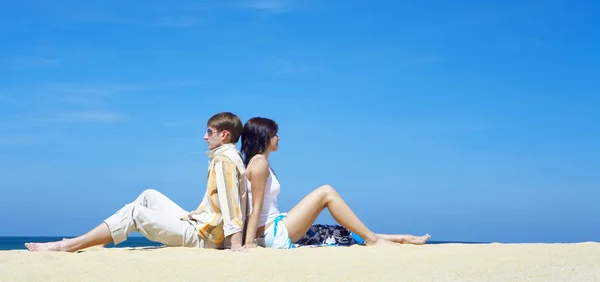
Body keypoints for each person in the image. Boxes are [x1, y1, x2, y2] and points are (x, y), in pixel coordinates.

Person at [26, 112, 247, 252]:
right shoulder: (227, 157)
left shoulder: (224, 159)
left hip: (202, 237)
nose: (205, 136)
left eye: (210, 132)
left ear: (224, 135)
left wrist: (234, 244)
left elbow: (231, 204)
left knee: (134, 212)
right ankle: (100, 242)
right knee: (149, 195)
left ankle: (68, 245)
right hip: (197, 224)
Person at [241, 117, 430, 249]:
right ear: (264, 136)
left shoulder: (260, 163)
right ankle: (374, 241)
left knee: (337, 233)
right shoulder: (260, 164)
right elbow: (255, 207)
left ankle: (402, 238)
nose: (279, 137)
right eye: (275, 134)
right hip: (272, 232)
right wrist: (249, 243)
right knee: (326, 192)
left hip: (277, 225)